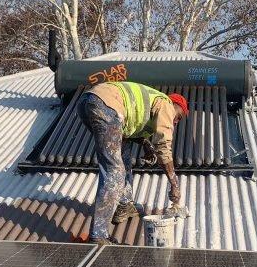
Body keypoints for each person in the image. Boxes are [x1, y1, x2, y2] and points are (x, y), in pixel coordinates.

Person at [76, 81, 189, 245]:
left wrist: (145, 144)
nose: (176, 121)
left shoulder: (152, 103)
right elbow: (163, 146)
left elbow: (133, 122)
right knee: (114, 171)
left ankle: (124, 205)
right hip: (107, 104)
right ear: (175, 105)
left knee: (123, 155)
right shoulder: (166, 104)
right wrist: (174, 183)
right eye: (179, 116)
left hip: (89, 101)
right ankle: (98, 235)